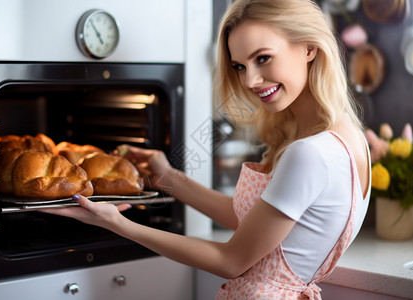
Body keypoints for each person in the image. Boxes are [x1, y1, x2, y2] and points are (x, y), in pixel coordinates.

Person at [40, 0, 371, 299]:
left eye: (263, 58)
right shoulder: (346, 138)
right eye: (240, 66)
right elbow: (252, 221)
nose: (249, 81)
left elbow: (232, 260)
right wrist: (168, 177)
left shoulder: (309, 153)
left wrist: (117, 223)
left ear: (309, 48)